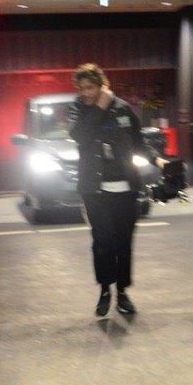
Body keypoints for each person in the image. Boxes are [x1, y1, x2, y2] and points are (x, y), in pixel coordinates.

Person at [68, 64, 160, 317]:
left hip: (125, 189)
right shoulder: (78, 109)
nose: (85, 92)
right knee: (103, 241)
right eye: (81, 88)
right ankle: (105, 290)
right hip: (95, 191)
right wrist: (100, 106)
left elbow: (139, 143)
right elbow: (80, 136)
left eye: (90, 87)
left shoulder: (123, 109)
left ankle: (122, 293)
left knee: (123, 242)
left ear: (102, 85)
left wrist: (158, 160)